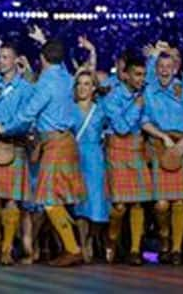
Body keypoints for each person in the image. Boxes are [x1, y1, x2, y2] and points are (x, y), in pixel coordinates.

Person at [0, 39, 87, 267]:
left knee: (50, 199)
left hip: (55, 143)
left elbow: (28, 114)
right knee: (57, 198)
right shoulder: (65, 77)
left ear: (42, 59)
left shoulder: (46, 83)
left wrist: (5, 128)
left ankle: (73, 249)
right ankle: (72, 247)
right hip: (66, 141)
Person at [141, 53, 183, 265]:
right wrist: (163, 136)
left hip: (181, 146)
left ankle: (176, 249)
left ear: (175, 69)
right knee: (160, 204)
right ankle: (164, 238)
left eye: (169, 66)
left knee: (179, 202)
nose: (165, 70)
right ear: (156, 69)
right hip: (160, 145)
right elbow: (144, 120)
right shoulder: (148, 91)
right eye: (161, 66)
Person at [0, 42, 34, 265]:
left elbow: (26, 119)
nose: (1, 61)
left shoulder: (25, 89)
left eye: (5, 57)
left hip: (15, 145)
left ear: (16, 60)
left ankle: (6, 248)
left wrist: (4, 127)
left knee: (12, 201)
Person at [102, 54, 153, 265]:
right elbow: (122, 127)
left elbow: (148, 121)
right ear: (126, 75)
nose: (141, 78)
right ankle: (112, 241)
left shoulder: (145, 95)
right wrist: (137, 105)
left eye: (143, 75)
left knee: (138, 204)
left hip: (137, 147)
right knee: (120, 205)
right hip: (118, 147)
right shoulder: (113, 98)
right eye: (137, 74)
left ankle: (135, 249)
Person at [71, 69, 109, 264]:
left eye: (87, 84)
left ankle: (91, 239)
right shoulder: (69, 108)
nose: (82, 88)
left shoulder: (101, 110)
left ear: (94, 87)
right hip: (74, 157)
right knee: (79, 204)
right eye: (79, 83)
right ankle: (82, 242)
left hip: (94, 158)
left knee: (95, 203)